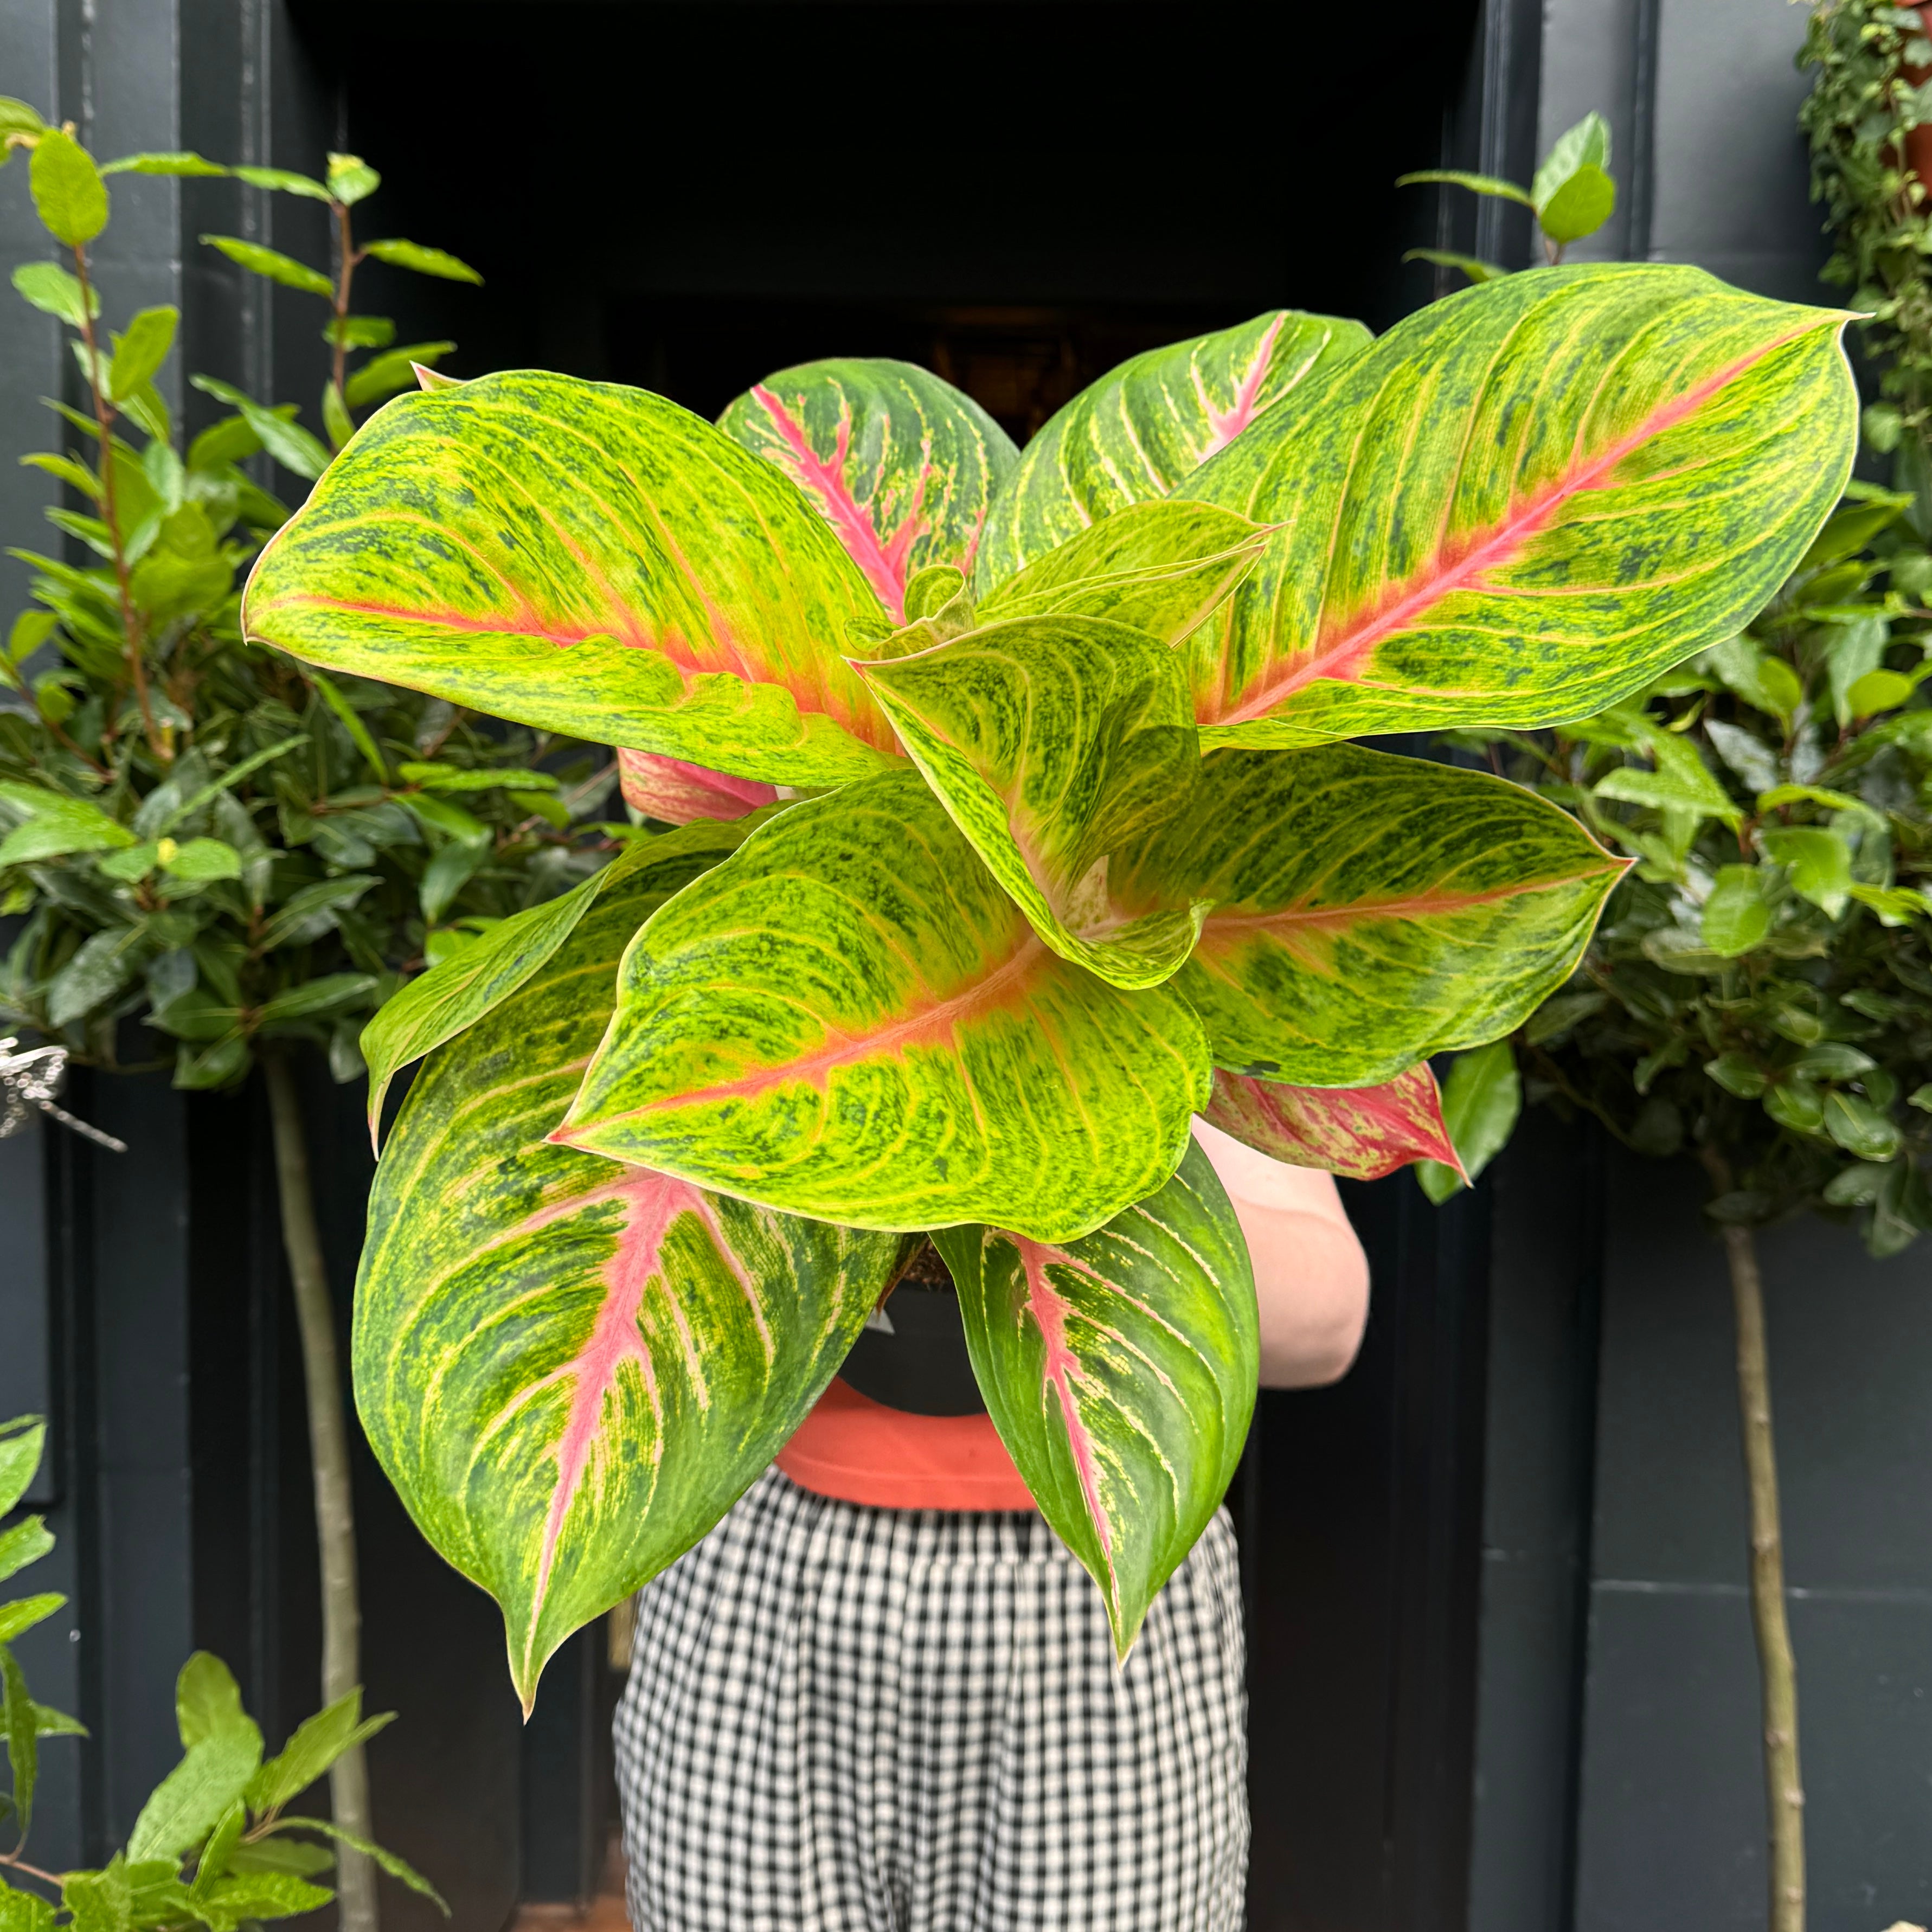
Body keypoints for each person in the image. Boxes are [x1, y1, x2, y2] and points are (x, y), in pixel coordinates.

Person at [613, 1119, 1371, 1932]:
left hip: (1097, 1581)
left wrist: (1090, 1175)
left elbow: (1326, 1325)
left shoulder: (1183, 991)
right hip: (765, 1553)